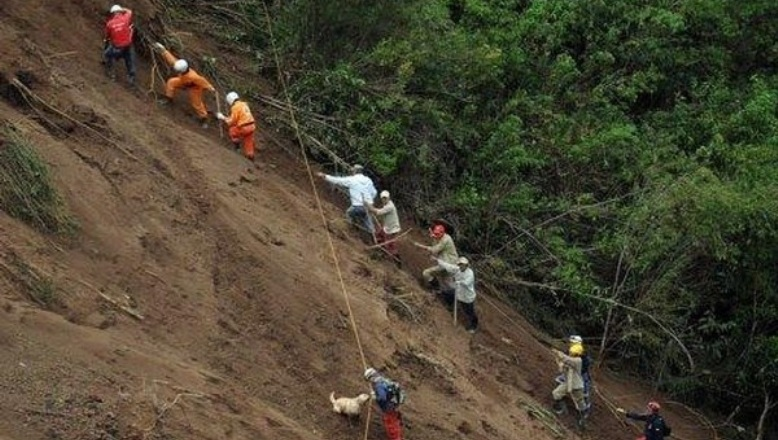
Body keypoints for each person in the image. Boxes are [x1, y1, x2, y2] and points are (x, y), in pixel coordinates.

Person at [152, 42, 216, 127]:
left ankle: (204, 118)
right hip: (183, 81)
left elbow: (203, 82)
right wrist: (163, 50)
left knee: (196, 103)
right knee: (171, 82)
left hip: (194, 88)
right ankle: (168, 98)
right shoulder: (180, 66)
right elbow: (171, 59)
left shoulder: (194, 77)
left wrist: (211, 89)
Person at [316, 164, 377, 235]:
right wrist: (369, 200)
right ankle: (373, 234)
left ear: (355, 171)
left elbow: (338, 181)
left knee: (349, 213)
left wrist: (324, 176)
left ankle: (350, 231)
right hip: (369, 207)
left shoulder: (352, 179)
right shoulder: (368, 180)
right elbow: (374, 193)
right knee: (367, 220)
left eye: (353, 171)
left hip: (357, 206)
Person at [436, 256, 479, 333]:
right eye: (460, 264)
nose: (461, 266)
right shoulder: (458, 270)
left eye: (463, 264)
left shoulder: (470, 273)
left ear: (466, 265)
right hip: (458, 292)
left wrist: (458, 282)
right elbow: (448, 266)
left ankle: (473, 326)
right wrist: (438, 260)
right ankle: (450, 306)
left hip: (467, 297)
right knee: (447, 293)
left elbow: (467, 283)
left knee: (469, 311)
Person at [551, 344, 587, 427]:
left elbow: (567, 359)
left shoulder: (578, 361)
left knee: (580, 403)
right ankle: (560, 408)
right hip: (568, 383)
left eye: (572, 352)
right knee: (556, 393)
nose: (570, 353)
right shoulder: (570, 360)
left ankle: (582, 418)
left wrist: (558, 353)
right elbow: (561, 368)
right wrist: (558, 359)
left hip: (577, 385)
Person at [413, 223, 458, 288]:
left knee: (426, 273)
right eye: (435, 233)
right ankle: (458, 294)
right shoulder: (443, 238)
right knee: (448, 283)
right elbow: (435, 247)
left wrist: (420, 246)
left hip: (447, 264)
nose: (435, 235)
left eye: (437, 234)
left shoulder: (445, 240)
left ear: (442, 233)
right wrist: (434, 236)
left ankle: (437, 288)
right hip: (449, 264)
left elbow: (434, 250)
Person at [364, 367, 404, 440]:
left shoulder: (378, 385)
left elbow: (382, 398)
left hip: (388, 407)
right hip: (394, 404)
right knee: (394, 421)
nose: (370, 382)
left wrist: (375, 397)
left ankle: (396, 438)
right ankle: (398, 434)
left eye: (369, 380)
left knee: (390, 424)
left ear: (371, 378)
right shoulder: (383, 379)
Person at [216, 92, 257, 161]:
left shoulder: (235, 107)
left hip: (244, 127)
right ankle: (250, 156)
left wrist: (222, 117)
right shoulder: (244, 104)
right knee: (248, 141)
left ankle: (237, 146)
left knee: (232, 130)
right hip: (252, 126)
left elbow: (231, 122)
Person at [103, 5, 136, 85]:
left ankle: (111, 73)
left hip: (117, 47)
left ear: (113, 13)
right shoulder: (125, 18)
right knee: (130, 61)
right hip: (128, 45)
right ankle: (131, 78)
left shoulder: (109, 24)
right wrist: (122, 9)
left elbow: (107, 37)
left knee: (108, 54)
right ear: (120, 12)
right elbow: (129, 11)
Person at [368, 190, 401, 263]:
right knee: (379, 234)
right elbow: (380, 212)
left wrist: (370, 207)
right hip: (387, 227)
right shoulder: (386, 205)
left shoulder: (390, 206)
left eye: (385, 198)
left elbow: (379, 212)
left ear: (389, 198)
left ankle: (397, 260)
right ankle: (381, 248)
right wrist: (372, 209)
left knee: (390, 245)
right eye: (383, 198)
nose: (384, 199)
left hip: (392, 229)